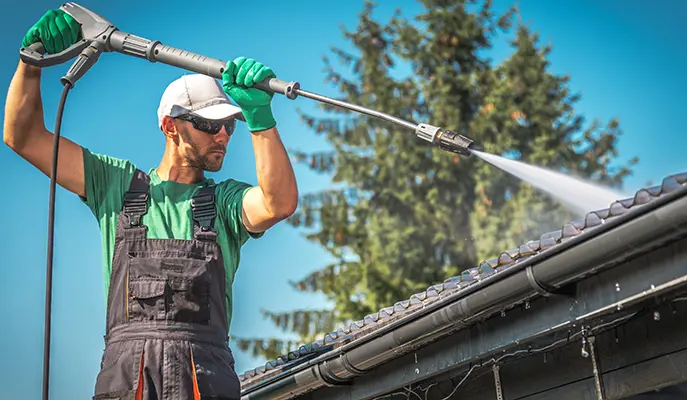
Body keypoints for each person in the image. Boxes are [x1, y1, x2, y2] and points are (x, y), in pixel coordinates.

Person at [5, 8, 298, 400]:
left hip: (204, 379)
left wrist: (260, 118)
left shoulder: (225, 203)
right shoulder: (115, 186)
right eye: (210, 125)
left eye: (229, 125)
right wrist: (31, 62)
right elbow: (23, 137)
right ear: (170, 126)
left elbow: (278, 204)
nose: (224, 136)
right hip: (128, 379)